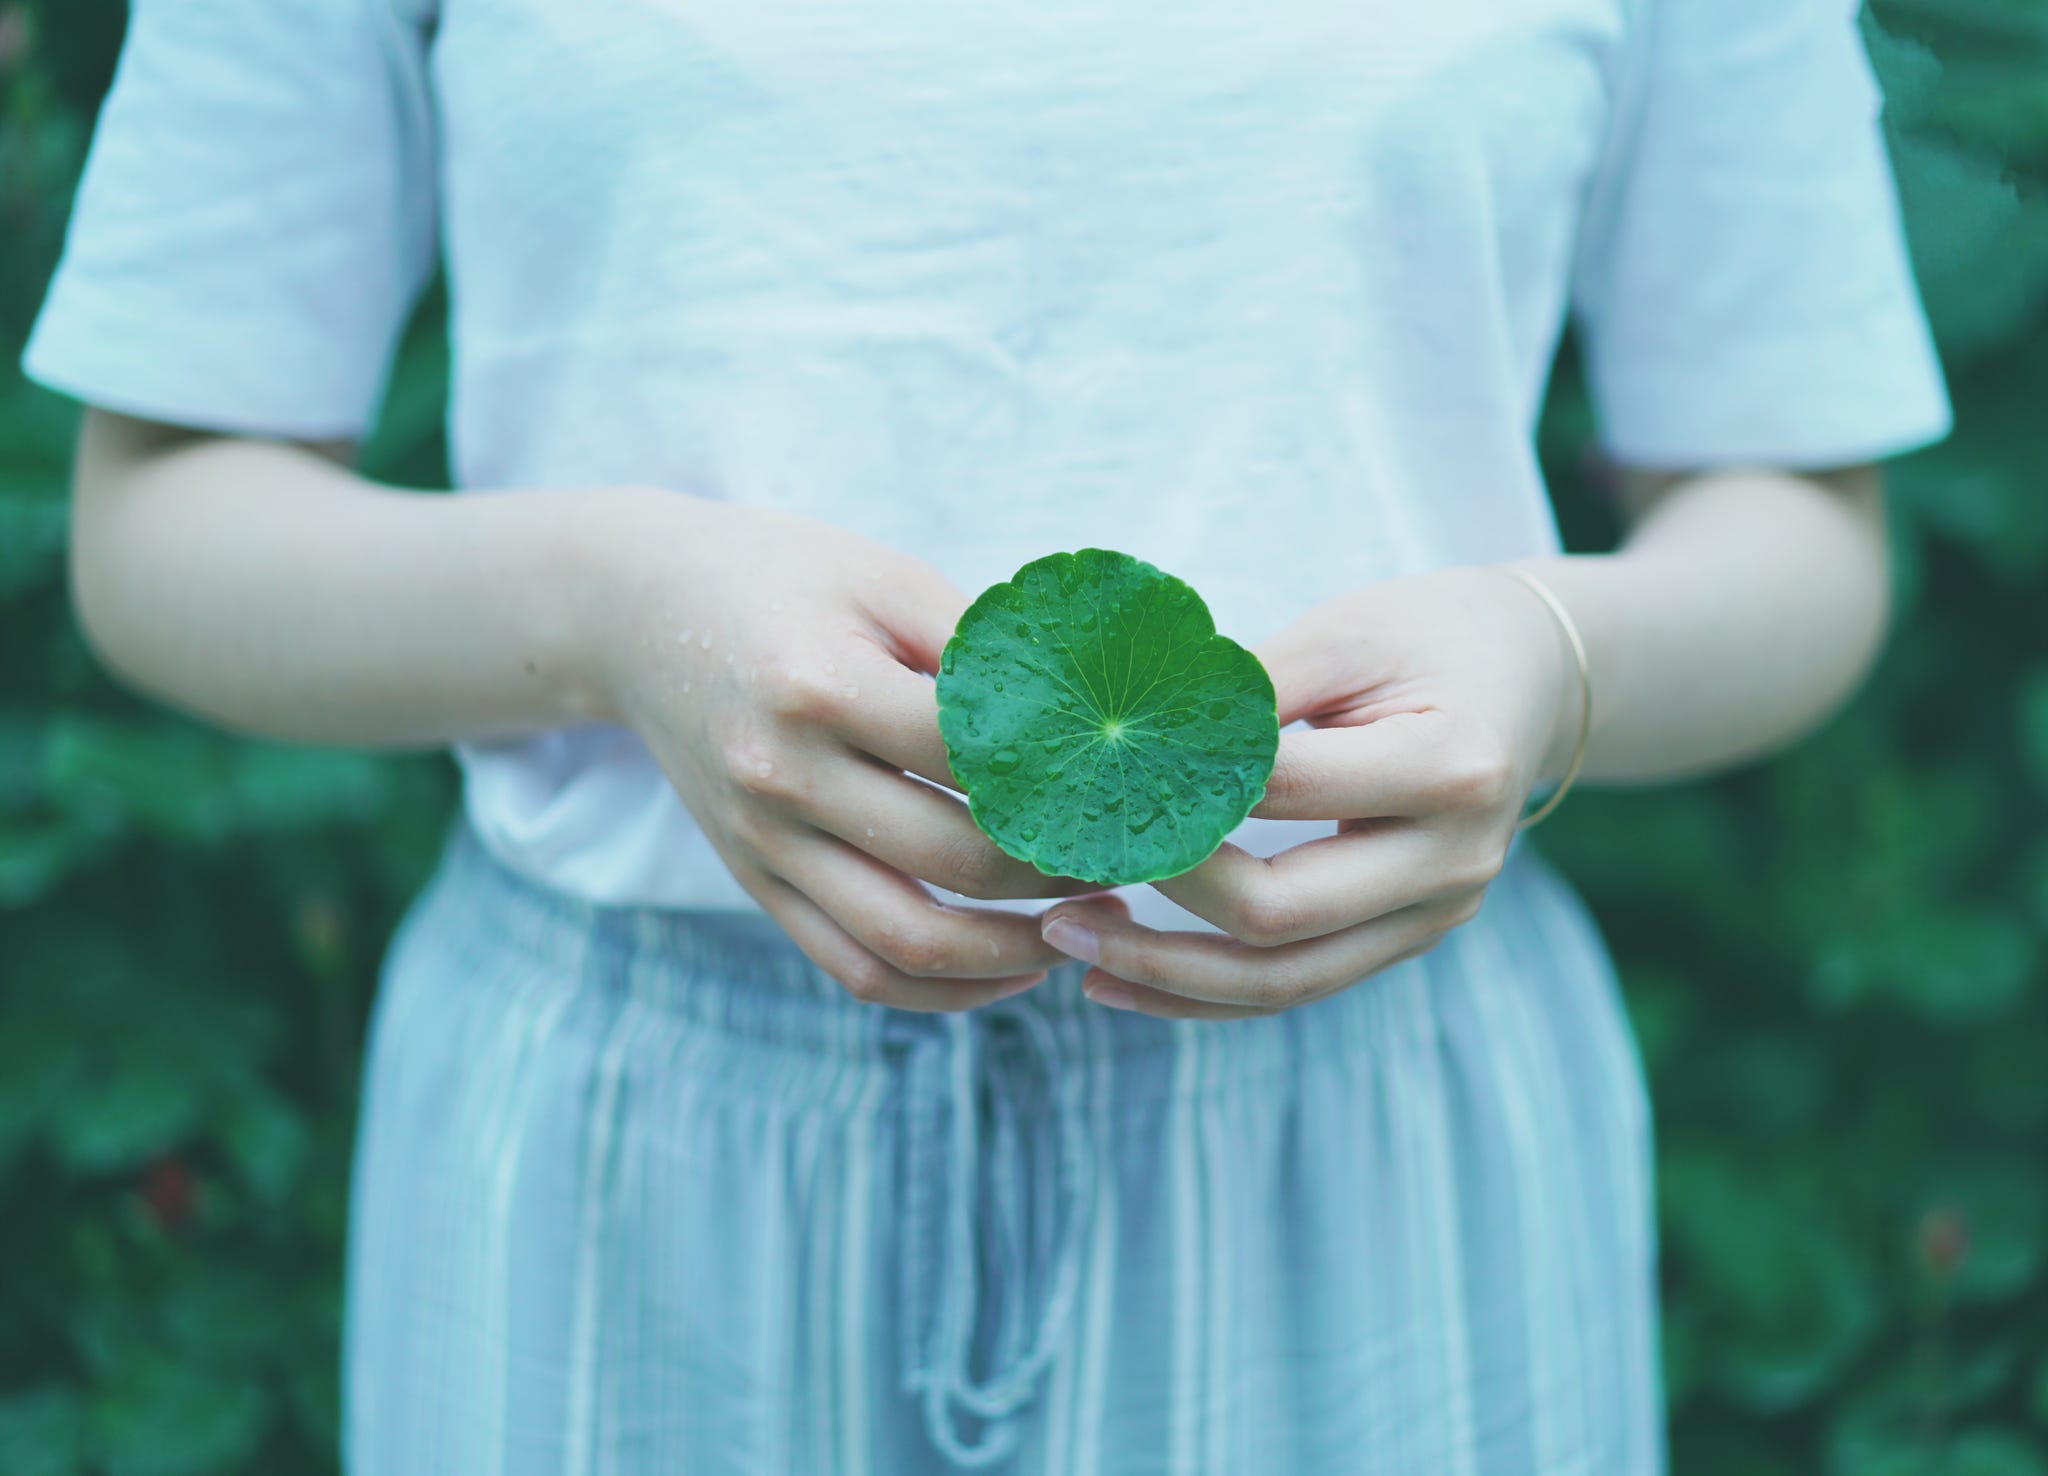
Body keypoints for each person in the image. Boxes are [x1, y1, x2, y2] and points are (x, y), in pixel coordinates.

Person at [24, 0, 1949, 1470]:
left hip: (1376, 1123)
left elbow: (1799, 530)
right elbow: (162, 520)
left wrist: (1552, 655)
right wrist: (609, 610)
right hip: (633, 1148)